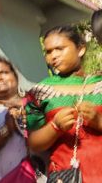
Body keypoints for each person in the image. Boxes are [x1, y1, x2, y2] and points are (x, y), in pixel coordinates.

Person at [26, 25, 102, 181]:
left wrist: (99, 121)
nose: (53, 56)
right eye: (48, 51)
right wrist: (55, 127)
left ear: (81, 49)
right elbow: (33, 143)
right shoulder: (40, 91)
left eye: (59, 49)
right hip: (65, 176)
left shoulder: (99, 84)